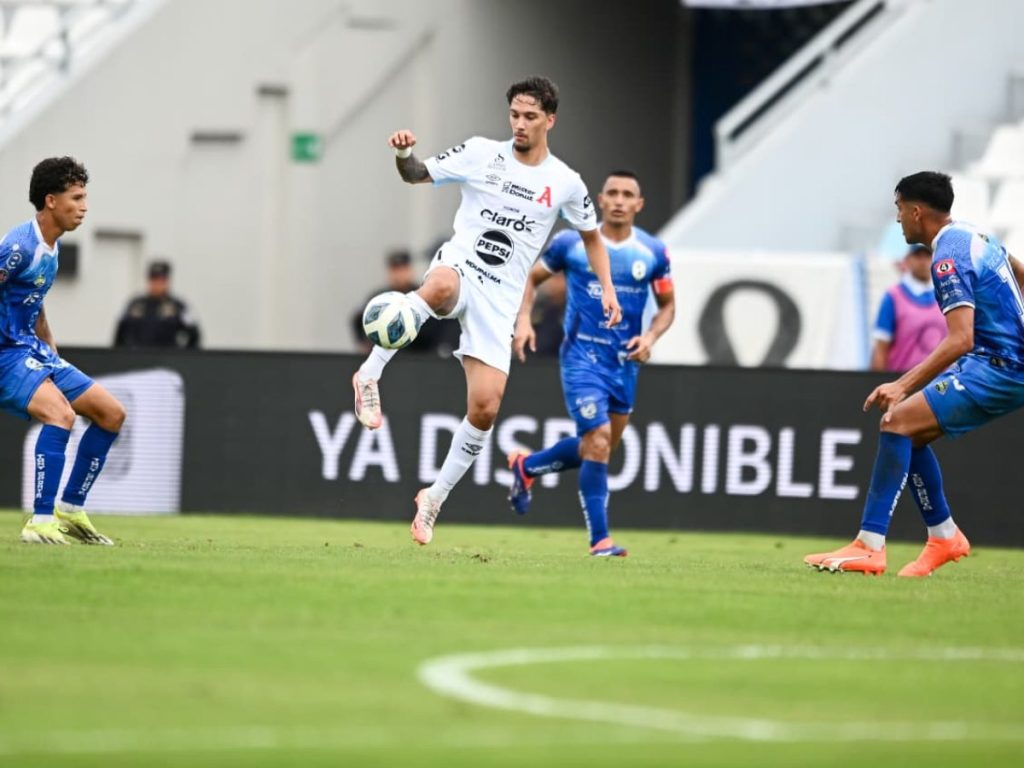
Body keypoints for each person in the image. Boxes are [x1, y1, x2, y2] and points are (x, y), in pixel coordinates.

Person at [351, 76, 622, 546]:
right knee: (436, 287)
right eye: (514, 115)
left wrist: (609, 289)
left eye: (530, 116)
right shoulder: (481, 153)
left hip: (502, 298)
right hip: (463, 267)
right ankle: (369, 374)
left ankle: (432, 499)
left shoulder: (564, 183)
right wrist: (401, 153)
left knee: (485, 407)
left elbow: (592, 238)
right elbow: (415, 174)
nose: (519, 124)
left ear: (549, 120)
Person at [805, 171, 1024, 577]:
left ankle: (870, 546)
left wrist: (902, 383)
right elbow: (1020, 273)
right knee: (911, 434)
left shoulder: (945, 260)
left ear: (917, 211)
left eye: (899, 210)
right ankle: (943, 536)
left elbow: (960, 339)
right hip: (1003, 363)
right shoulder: (975, 234)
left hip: (999, 367)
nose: (898, 219)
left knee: (897, 420)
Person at [506, 170, 675, 556]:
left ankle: (527, 467)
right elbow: (530, 279)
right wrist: (523, 320)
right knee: (597, 441)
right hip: (582, 357)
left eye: (626, 194)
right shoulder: (572, 243)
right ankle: (600, 541)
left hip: (625, 364)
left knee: (596, 447)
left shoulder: (653, 252)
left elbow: (668, 307)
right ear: (600, 200)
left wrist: (649, 338)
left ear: (639, 204)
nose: (618, 200)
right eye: (611, 193)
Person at [1, 157, 126, 545]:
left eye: (85, 197)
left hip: (33, 349)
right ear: (51, 201)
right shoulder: (19, 246)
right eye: (77, 197)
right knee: (60, 415)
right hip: (6, 354)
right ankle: (39, 520)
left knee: (111, 414)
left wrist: (51, 347)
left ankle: (70, 508)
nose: (84, 206)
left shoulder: (51, 247)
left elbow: (32, 302)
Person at [351, 249, 459, 356]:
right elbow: (359, 319)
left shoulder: (424, 294)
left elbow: (442, 324)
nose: (400, 274)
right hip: (386, 355)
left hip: (419, 355)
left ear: (410, 270)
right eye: (396, 269)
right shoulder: (379, 297)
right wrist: (365, 344)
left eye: (403, 269)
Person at [870, 243, 946, 371]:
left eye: (927, 256)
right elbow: (881, 348)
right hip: (901, 381)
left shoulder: (947, 295)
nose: (922, 262)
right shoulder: (893, 297)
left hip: (939, 385)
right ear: (908, 260)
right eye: (918, 256)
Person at [113, 260, 200, 349]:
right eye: (153, 280)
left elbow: (194, 334)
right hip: (137, 357)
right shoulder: (134, 304)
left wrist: (182, 356)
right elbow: (119, 334)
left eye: (160, 280)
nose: (156, 284)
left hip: (167, 359)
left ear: (167, 281)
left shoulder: (178, 306)